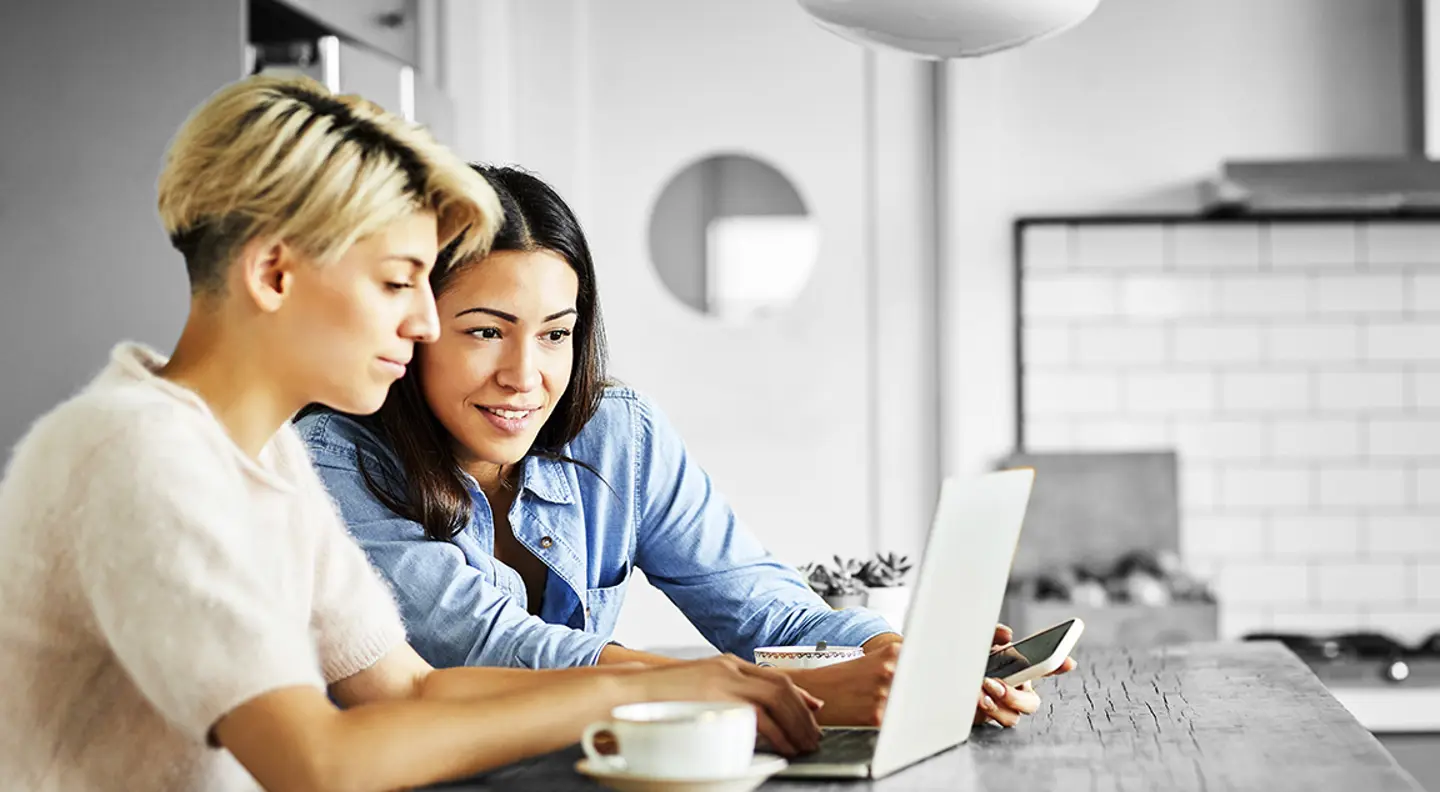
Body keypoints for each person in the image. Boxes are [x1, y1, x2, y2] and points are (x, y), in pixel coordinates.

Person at [0, 75, 823, 792]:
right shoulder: (139, 454)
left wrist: (693, 684)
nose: (426, 320)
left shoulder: (264, 457)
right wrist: (639, 690)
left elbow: (407, 691)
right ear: (274, 273)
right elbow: (317, 765)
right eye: (399, 281)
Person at [298, 165, 1068, 729]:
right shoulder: (334, 459)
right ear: (418, 326)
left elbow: (767, 610)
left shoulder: (616, 433)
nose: (525, 376)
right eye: (486, 332)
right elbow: (487, 647)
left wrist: (910, 658)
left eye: (557, 335)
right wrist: (756, 690)